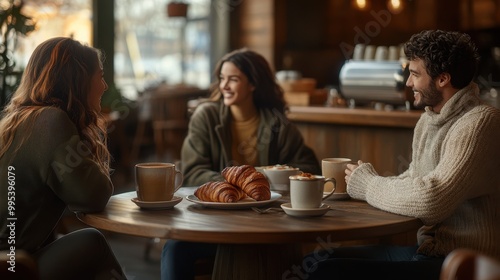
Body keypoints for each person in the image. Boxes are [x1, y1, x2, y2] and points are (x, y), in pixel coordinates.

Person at [305, 29, 500, 280]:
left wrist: (369, 185)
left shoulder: (480, 122)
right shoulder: (429, 119)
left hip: (466, 264)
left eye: (415, 74)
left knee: (325, 271)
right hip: (429, 251)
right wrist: (364, 180)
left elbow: (432, 199)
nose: (408, 83)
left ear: (442, 79)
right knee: (313, 261)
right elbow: (414, 179)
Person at [161, 48, 321, 279]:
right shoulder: (206, 117)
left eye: (233, 79)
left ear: (253, 83)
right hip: (215, 226)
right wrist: (241, 186)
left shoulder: (277, 125)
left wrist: (273, 178)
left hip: (268, 228)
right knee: (175, 248)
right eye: (222, 79)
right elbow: (193, 173)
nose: (224, 86)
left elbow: (309, 169)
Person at [0, 37, 127, 280]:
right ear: (77, 81)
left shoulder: (15, 121)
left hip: (11, 258)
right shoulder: (50, 121)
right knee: (91, 242)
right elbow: (93, 196)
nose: (105, 86)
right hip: (11, 266)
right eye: (99, 76)